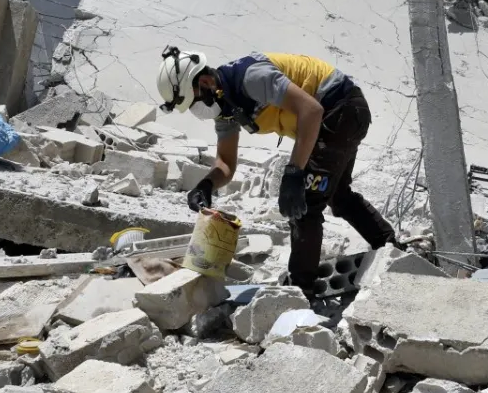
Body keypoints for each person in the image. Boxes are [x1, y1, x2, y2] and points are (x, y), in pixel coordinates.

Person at [155, 46, 399, 296]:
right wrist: (205, 185)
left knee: (305, 202)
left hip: (340, 107)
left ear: (206, 81)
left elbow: (312, 111)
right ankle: (391, 248)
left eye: (194, 102)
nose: (197, 111)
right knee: (338, 195)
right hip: (337, 115)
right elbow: (225, 164)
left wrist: (295, 172)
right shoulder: (224, 107)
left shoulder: (251, 78)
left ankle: (301, 292)